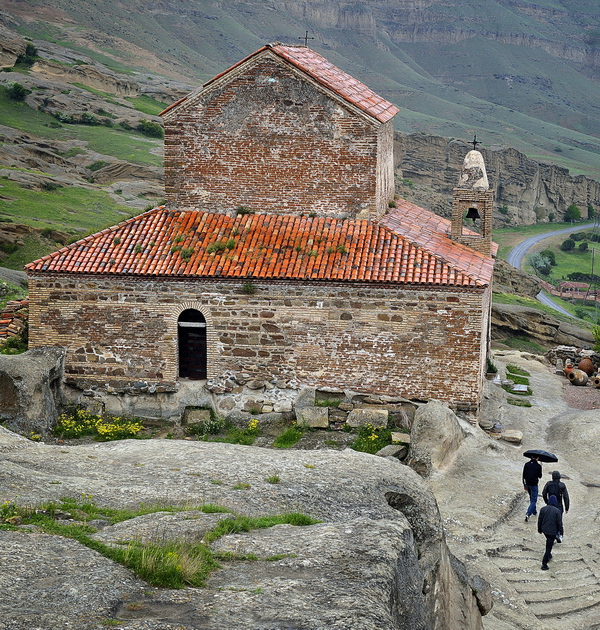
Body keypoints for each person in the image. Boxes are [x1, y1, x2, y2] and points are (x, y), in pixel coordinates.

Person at [538, 495, 564, 570]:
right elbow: (559, 523)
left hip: (545, 530)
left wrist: (539, 529)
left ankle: (548, 556)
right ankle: (544, 563)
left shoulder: (543, 509)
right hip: (552, 532)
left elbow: (540, 520)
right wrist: (561, 532)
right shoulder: (557, 511)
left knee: (548, 542)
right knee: (549, 547)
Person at [522, 454, 542, 522]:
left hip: (527, 484)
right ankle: (528, 514)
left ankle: (534, 512)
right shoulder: (538, 466)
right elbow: (540, 476)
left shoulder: (526, 464)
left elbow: (523, 475)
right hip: (534, 485)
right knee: (534, 500)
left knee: (531, 498)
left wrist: (524, 485)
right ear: (537, 458)